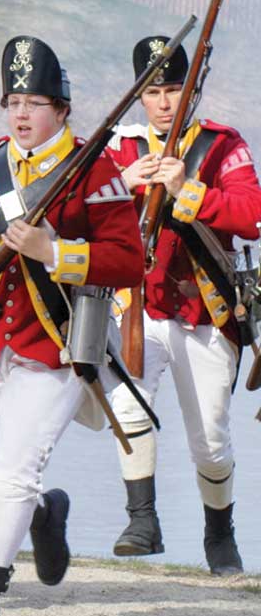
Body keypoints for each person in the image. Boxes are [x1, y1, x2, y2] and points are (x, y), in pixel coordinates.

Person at [0, 35, 142, 616]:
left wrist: (56, 252)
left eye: (35, 103)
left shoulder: (95, 171)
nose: (21, 114)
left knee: (15, 475)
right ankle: (47, 516)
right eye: (14, 101)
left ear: (62, 110)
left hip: (57, 346)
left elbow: (130, 261)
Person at [107, 34, 259, 573]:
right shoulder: (117, 147)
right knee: (127, 404)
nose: (164, 102)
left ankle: (220, 532)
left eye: (174, 88)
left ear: (191, 92)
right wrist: (118, 184)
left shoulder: (221, 145)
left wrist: (189, 190)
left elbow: (251, 216)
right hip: (136, 308)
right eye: (153, 91)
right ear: (139, 95)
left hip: (205, 310)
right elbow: (75, 212)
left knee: (210, 441)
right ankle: (141, 519)